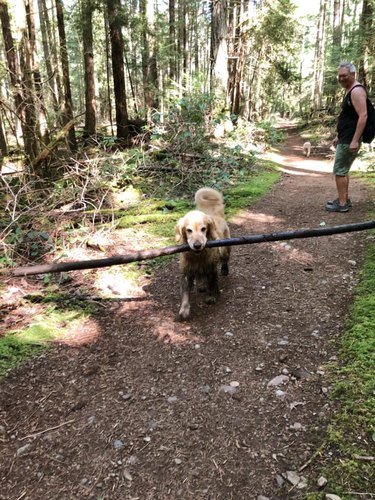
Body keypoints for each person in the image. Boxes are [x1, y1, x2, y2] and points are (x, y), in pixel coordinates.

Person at [326, 62, 368, 212]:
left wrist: (355, 140)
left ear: (353, 74)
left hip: (350, 138)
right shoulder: (351, 90)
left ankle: (342, 204)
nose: (341, 79)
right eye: (340, 76)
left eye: (344, 75)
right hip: (346, 137)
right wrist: (339, 135)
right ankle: (344, 198)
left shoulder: (356, 91)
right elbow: (349, 117)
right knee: (343, 170)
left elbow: (363, 116)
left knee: (339, 171)